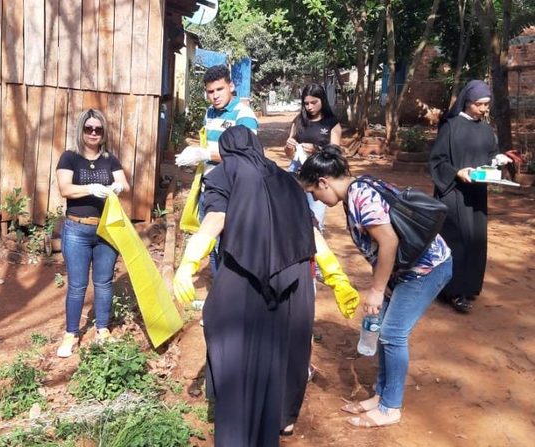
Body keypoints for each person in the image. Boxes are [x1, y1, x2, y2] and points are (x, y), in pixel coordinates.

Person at [173, 127, 358, 445]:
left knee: (226, 331)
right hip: (295, 274)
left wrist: (189, 262)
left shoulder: (226, 171)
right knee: (289, 346)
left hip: (246, 270)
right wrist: (337, 277)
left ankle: (236, 422)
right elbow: (310, 233)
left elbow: (216, 219)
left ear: (228, 151)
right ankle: (283, 418)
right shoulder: (287, 178)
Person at [298, 145, 452, 428]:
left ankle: (390, 407)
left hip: (426, 269)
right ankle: (382, 394)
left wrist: (378, 289)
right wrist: (387, 283)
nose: (315, 198)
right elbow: (376, 246)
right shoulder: (355, 191)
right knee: (383, 331)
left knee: (393, 334)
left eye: (313, 192)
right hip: (405, 271)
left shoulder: (361, 198)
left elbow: (389, 242)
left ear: (324, 181)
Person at [429, 80, 511, 314]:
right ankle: (452, 291)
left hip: (476, 194)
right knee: (458, 240)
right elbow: (437, 161)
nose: (484, 109)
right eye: (480, 105)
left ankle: (469, 286)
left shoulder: (486, 129)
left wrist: (498, 159)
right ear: (467, 102)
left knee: (475, 240)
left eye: (486, 105)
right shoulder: (451, 126)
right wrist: (457, 172)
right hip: (453, 194)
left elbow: (490, 154)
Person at [55, 109, 130, 358]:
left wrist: (117, 187)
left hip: (105, 230)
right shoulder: (70, 158)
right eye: (89, 129)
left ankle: (102, 330)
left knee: (104, 282)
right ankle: (71, 333)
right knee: (77, 285)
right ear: (81, 130)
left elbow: (125, 184)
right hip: (77, 229)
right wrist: (91, 188)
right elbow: (65, 189)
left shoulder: (110, 159)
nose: (94, 133)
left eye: (98, 129)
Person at [175, 64, 258, 273]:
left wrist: (206, 155)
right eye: (210, 92)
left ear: (231, 86)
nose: (215, 96)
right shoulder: (209, 113)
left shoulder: (243, 115)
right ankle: (217, 293)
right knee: (209, 243)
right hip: (208, 186)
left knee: (229, 246)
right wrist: (196, 154)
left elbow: (247, 155)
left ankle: (230, 295)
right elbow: (208, 144)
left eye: (219, 89)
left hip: (231, 191)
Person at [285, 83, 342, 230]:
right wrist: (289, 147)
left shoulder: (332, 123)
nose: (309, 107)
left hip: (318, 176)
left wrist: (316, 150)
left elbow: (335, 155)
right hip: (296, 173)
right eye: (306, 103)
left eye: (313, 102)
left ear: (322, 100)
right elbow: (289, 155)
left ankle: (316, 248)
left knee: (315, 222)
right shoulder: (298, 121)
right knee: (291, 217)